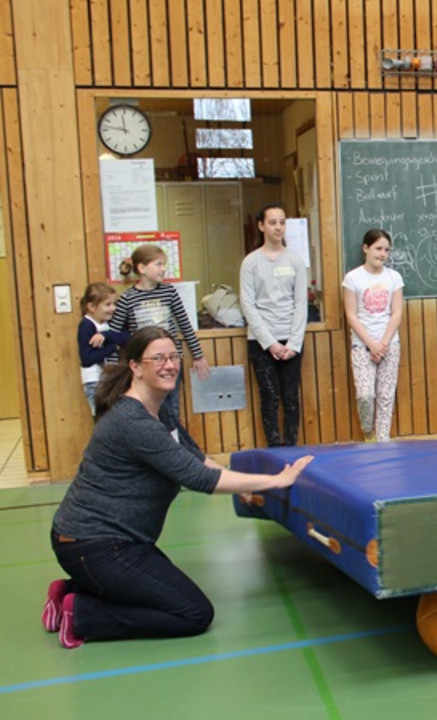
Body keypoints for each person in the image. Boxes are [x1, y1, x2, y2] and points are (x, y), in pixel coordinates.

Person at [42, 327, 314, 649]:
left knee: (162, 591)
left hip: (109, 544)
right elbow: (199, 478)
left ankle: (69, 593)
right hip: (95, 545)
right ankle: (84, 615)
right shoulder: (133, 421)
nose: (169, 365)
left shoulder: (159, 411)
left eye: (173, 357)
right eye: (157, 358)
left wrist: (238, 483)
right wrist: (275, 481)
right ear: (135, 367)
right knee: (193, 613)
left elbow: (196, 458)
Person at [109, 244, 211, 428]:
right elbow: (114, 335)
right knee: (147, 408)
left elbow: (185, 325)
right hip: (145, 363)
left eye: (164, 264)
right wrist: (112, 367)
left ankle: (173, 446)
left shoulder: (169, 292)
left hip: (171, 360)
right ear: (142, 268)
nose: (163, 269)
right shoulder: (127, 298)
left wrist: (198, 355)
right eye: (158, 264)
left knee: (171, 410)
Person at [240, 203, 308, 447]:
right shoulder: (251, 262)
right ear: (261, 226)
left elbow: (301, 304)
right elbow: (248, 305)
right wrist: (269, 344)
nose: (278, 227)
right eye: (272, 222)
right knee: (269, 397)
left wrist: (293, 343)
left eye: (282, 222)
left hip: (291, 340)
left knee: (291, 398)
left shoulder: (295, 261)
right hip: (261, 341)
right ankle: (274, 448)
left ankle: (291, 446)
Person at [342, 228, 404, 442]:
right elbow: (351, 314)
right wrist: (371, 344)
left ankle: (383, 440)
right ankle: (369, 432)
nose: (382, 253)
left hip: (389, 344)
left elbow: (396, 313)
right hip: (362, 346)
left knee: (386, 396)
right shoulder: (353, 278)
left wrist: (383, 343)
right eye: (378, 248)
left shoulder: (394, 277)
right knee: (365, 394)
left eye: (386, 250)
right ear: (366, 248)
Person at [77, 282, 130, 416]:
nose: (113, 308)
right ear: (91, 307)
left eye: (114, 304)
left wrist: (106, 336)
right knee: (103, 418)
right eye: (108, 305)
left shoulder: (108, 323)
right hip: (95, 381)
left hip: (110, 379)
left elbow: (125, 336)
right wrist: (113, 347)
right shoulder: (86, 325)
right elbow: (87, 358)